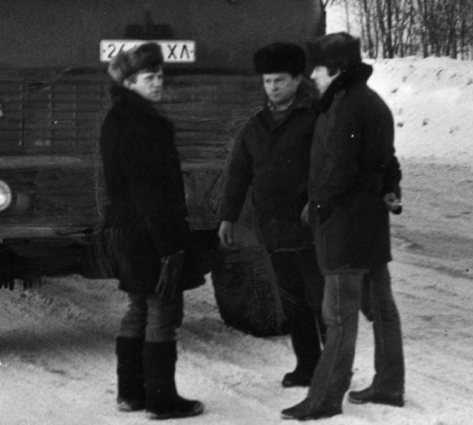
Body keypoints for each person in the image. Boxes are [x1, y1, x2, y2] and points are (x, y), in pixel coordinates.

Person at [281, 33, 406, 421]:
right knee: (381, 309)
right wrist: (389, 189)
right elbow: (387, 162)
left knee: (338, 317)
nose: (311, 77)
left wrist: (316, 206)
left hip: (344, 228)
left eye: (316, 69)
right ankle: (389, 384)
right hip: (370, 226)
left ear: (335, 70)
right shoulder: (373, 104)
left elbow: (340, 169)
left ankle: (324, 399)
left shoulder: (343, 108)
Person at [100, 42, 206, 420]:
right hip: (151, 233)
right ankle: (162, 400)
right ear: (130, 81)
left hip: (128, 231)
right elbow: (149, 192)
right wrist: (169, 248)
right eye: (150, 77)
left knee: (138, 307)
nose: (158, 82)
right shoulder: (144, 125)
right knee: (162, 310)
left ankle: (130, 394)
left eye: (160, 75)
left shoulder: (116, 119)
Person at [218, 42, 325, 389]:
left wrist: (318, 200)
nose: (273, 88)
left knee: (322, 299)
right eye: (267, 82)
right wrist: (227, 216)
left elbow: (332, 165)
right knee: (293, 303)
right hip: (275, 229)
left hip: (310, 227)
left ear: (297, 80)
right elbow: (238, 173)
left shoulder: (315, 119)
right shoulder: (257, 125)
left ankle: (335, 367)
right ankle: (307, 366)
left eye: (279, 80)